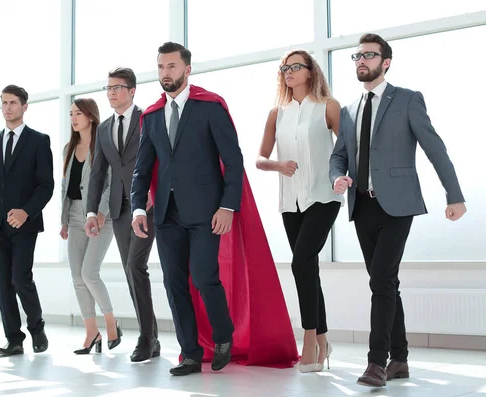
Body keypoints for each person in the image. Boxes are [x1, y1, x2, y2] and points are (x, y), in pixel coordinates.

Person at [131, 42, 300, 376]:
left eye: (172, 67)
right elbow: (142, 168)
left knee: (205, 276)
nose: (166, 73)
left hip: (207, 212)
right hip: (166, 214)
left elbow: (233, 160)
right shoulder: (151, 116)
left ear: (187, 69)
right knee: (174, 282)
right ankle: (190, 354)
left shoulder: (210, 106)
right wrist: (138, 208)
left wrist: (227, 206)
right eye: (161, 67)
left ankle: (223, 335)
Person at [329, 33, 466, 387]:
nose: (361, 61)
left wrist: (454, 195)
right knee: (384, 281)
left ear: (385, 62)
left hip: (398, 205)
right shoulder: (348, 111)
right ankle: (400, 358)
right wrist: (336, 178)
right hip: (362, 205)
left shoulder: (406, 100)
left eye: (369, 56)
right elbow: (340, 155)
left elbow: (435, 148)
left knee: (382, 280)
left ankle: (376, 362)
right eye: (357, 56)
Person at [256, 49, 342, 373]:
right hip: (290, 201)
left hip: (324, 196)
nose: (288, 72)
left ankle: (308, 339)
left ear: (310, 71)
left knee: (301, 261)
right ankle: (324, 341)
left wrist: (340, 176)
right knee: (308, 267)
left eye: (295, 66)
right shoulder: (277, 113)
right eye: (284, 68)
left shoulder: (328, 107)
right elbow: (260, 158)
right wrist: (278, 164)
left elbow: (345, 149)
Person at [0, 84, 53, 356]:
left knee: (20, 278)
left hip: (25, 224)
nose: (7, 108)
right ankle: (13, 339)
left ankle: (36, 328)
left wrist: (26, 211)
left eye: (13, 103)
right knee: (2, 280)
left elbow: (45, 186)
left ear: (24, 106)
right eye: (4, 103)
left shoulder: (39, 141)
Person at [84, 68, 159, 362]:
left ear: (132, 90)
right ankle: (151, 336)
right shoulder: (103, 128)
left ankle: (146, 338)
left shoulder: (148, 118)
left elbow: (160, 159)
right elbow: (99, 173)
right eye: (108, 88)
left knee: (134, 266)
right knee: (131, 272)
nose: (112, 92)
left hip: (147, 205)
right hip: (119, 209)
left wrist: (154, 189)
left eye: (117, 87)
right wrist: (93, 212)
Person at [60, 98, 120, 354]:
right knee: (77, 277)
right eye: (71, 114)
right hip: (74, 216)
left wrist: (101, 213)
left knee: (89, 273)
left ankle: (110, 322)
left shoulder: (103, 146)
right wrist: (63, 220)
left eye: (78, 114)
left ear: (91, 117)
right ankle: (91, 332)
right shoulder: (68, 149)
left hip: (99, 217)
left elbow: (112, 182)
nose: (74, 118)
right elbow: (65, 187)